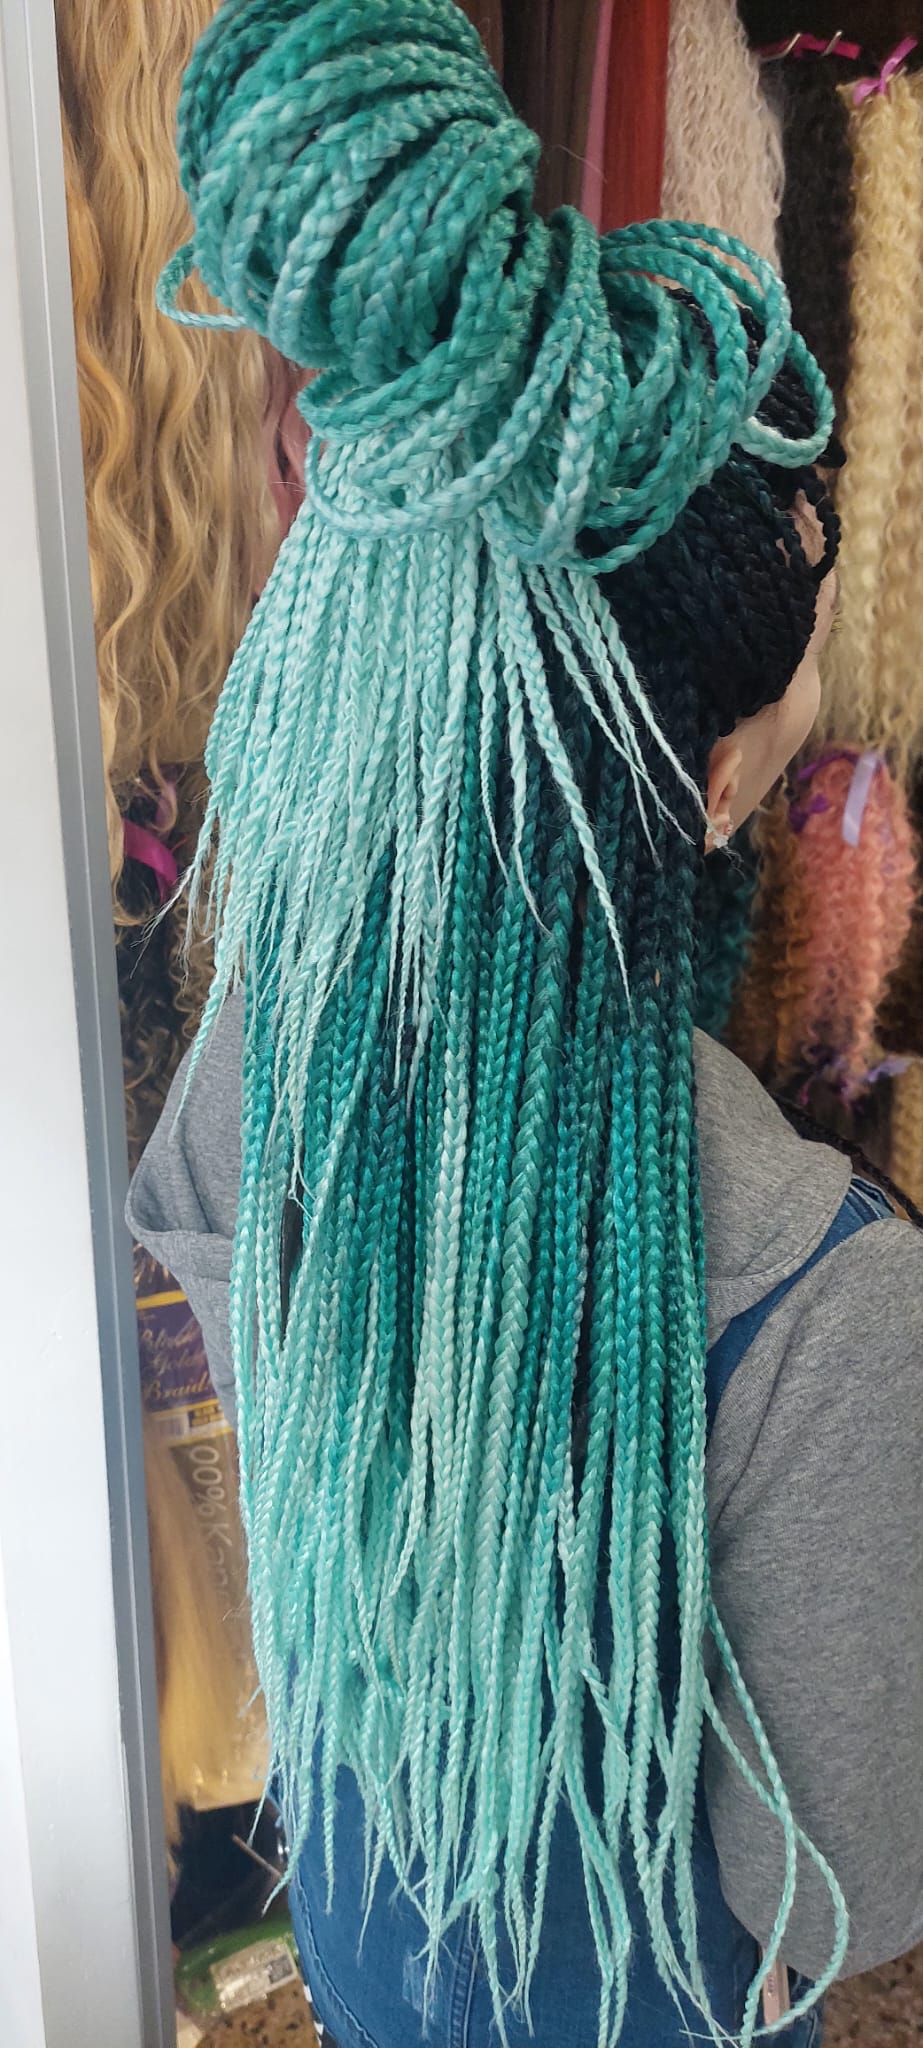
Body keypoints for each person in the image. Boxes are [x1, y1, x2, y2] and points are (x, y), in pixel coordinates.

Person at [130, 3, 923, 2043]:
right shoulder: (825, 1301)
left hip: (367, 1955)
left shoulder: (256, 1080)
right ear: (720, 784)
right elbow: (841, 1890)